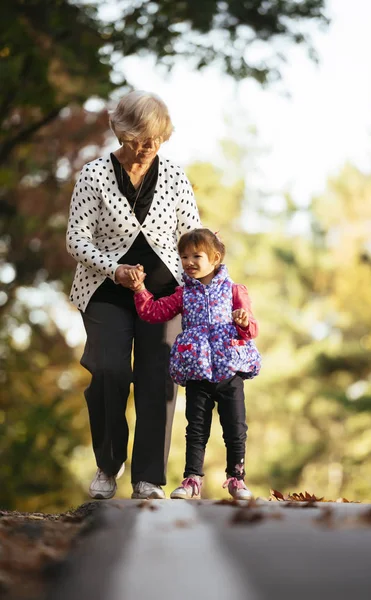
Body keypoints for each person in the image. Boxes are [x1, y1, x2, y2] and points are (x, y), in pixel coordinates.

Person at [66, 90, 201, 500]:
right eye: (136, 140)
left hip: (163, 295)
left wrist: (209, 267)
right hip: (105, 291)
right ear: (118, 131)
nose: (144, 149)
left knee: (157, 378)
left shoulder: (175, 176)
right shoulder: (94, 176)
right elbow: (76, 240)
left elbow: (191, 233)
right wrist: (115, 269)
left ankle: (148, 477)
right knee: (108, 370)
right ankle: (108, 464)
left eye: (153, 141)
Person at [130, 228, 261, 500]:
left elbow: (251, 330)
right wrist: (140, 289)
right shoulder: (183, 294)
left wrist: (243, 322)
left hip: (229, 372)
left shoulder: (235, 291)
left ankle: (236, 478)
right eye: (184, 256)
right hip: (197, 372)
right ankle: (192, 480)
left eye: (196, 256)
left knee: (235, 428)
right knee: (196, 429)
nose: (188, 262)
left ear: (215, 258)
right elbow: (153, 312)